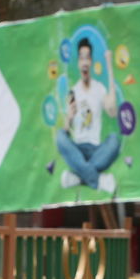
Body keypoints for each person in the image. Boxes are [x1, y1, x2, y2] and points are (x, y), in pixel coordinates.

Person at [56, 36, 120, 194]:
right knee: (59, 137)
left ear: (91, 62)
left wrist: (109, 67)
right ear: (78, 63)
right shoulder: (73, 91)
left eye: (87, 58)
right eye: (81, 58)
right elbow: (66, 129)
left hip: (97, 150)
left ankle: (78, 177)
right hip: (78, 149)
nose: (84, 62)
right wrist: (69, 118)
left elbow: (112, 111)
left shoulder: (99, 88)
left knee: (114, 140)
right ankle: (98, 181)